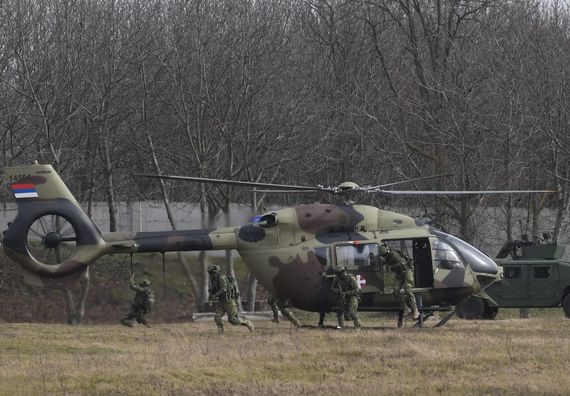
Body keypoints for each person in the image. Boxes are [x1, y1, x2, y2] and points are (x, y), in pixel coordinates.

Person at [208, 265, 254, 333]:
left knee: (233, 319)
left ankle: (246, 322)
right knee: (217, 316)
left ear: (216, 272)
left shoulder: (221, 277)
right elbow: (212, 289)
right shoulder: (213, 279)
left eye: (213, 273)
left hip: (229, 301)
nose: (212, 275)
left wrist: (215, 295)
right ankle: (221, 331)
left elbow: (223, 289)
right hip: (221, 301)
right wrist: (211, 295)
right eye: (211, 273)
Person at [379, 244, 420, 320]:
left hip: (407, 272)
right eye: (383, 256)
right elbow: (384, 263)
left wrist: (391, 267)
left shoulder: (393, 254)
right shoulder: (387, 257)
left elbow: (402, 263)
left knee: (407, 289)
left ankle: (415, 310)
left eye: (384, 255)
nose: (384, 256)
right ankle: (406, 308)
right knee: (395, 291)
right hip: (400, 274)